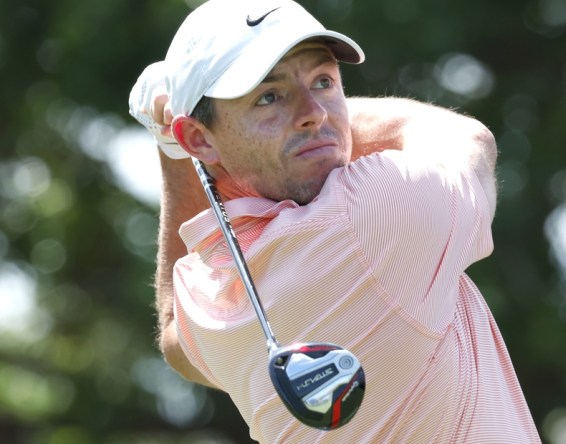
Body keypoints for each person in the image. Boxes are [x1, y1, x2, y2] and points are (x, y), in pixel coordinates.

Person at [129, 0, 541, 442]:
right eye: (270, 96)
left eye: (324, 81)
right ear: (199, 138)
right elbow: (466, 139)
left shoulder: (211, 291)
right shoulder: (378, 211)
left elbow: (175, 340)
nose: (316, 111)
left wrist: (174, 148)